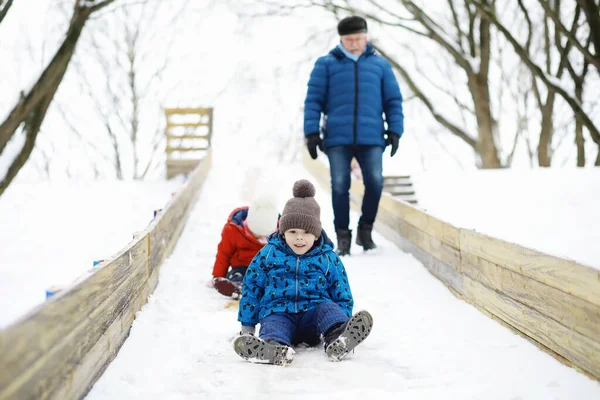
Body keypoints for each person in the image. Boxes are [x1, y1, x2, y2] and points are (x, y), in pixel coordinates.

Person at [232, 179, 373, 365]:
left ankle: (340, 337)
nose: (299, 237)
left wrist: (344, 317)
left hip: (314, 317)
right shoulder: (269, 254)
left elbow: (341, 290)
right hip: (279, 312)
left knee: (328, 308)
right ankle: (272, 348)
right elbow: (252, 287)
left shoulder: (327, 258)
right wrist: (247, 327)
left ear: (316, 234)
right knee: (273, 323)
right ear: (283, 232)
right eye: (292, 231)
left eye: (306, 232)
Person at [303, 15, 404, 256]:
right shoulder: (325, 64)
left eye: (358, 38)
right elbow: (313, 101)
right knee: (339, 186)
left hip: (372, 137)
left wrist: (395, 130)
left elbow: (393, 100)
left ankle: (365, 231)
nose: (354, 44)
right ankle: (343, 238)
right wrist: (311, 133)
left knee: (375, 182)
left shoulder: (380, 66)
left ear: (366, 37)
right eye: (349, 40)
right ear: (341, 39)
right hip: (337, 138)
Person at [209, 198, 279, 298]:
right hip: (242, 267)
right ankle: (237, 287)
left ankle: (268, 289)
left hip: (265, 269)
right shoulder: (233, 230)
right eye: (258, 235)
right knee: (237, 275)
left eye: (265, 236)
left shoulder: (281, 234)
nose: (262, 239)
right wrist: (217, 277)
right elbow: (224, 254)